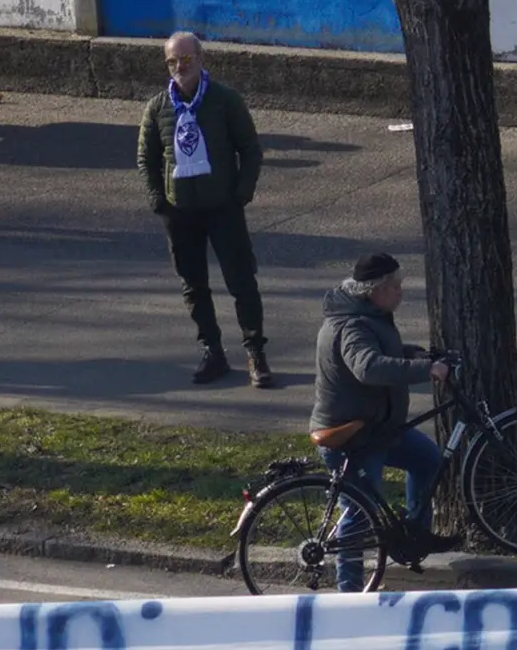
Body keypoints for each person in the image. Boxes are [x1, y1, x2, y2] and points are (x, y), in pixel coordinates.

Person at [307, 252, 453, 588]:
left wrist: (408, 353)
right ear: (375, 289)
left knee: (428, 460)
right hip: (352, 436)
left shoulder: (370, 315)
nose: (400, 292)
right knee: (358, 515)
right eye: (395, 286)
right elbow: (368, 367)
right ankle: (350, 593)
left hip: (378, 428)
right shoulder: (352, 325)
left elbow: (377, 352)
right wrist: (425, 369)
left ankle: (412, 539)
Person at [138, 33, 272, 388]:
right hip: (180, 211)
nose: (179, 67)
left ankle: (255, 352)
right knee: (193, 286)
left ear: (200, 58)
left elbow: (250, 149)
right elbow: (147, 159)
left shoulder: (225, 100)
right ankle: (212, 351)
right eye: (172, 61)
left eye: (186, 59)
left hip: (222, 207)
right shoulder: (157, 107)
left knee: (242, 282)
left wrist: (241, 193)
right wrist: (158, 199)